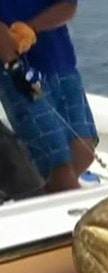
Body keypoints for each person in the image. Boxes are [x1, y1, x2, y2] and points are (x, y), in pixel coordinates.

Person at [0, 0, 97, 194]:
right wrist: (13, 64)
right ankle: (59, 191)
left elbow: (69, 6)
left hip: (62, 64)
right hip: (16, 74)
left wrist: (31, 28)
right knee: (60, 171)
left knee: (84, 151)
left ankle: (40, 192)